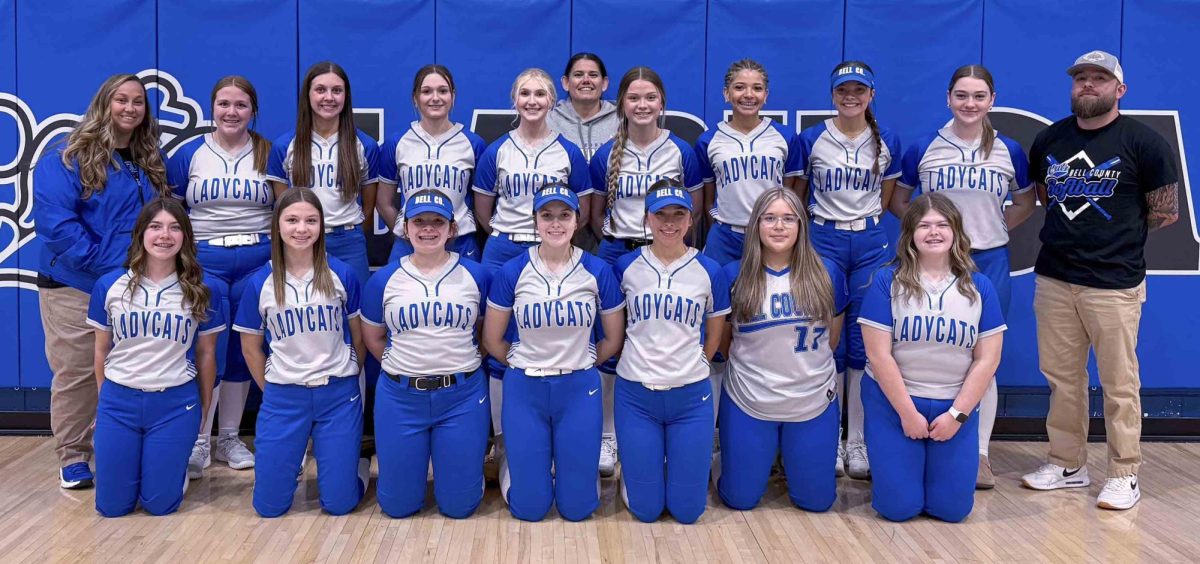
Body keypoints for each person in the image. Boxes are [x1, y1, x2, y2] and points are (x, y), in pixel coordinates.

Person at [1020, 50, 1178, 510]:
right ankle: (1068, 464)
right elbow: (1048, 196)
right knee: (1062, 378)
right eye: (1081, 78)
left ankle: (1124, 472)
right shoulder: (1050, 140)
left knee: (1118, 382)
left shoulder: (1144, 143)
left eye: (1100, 79)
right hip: (1054, 277)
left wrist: (1112, 237)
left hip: (1115, 283)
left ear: (1119, 89)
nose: (1088, 85)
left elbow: (1164, 212)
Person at [892, 64, 1036, 488]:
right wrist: (932, 236)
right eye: (961, 95)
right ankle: (916, 433)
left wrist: (991, 226)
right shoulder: (924, 148)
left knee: (983, 359)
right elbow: (901, 200)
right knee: (919, 346)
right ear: (948, 99)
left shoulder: (1010, 150)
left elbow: (1025, 203)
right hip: (933, 263)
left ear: (992, 100)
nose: (969, 104)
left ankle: (979, 454)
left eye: (978, 96)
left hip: (987, 260)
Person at [33, 73, 169, 489]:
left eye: (138, 102)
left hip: (132, 285)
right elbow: (58, 225)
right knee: (75, 372)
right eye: (121, 100)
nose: (130, 108)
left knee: (130, 369)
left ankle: (119, 449)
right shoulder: (67, 156)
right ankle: (72, 456)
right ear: (103, 103)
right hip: (76, 283)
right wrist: (106, 267)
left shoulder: (147, 158)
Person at [472, 68, 593, 474]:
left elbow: (585, 210)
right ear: (514, 99)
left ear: (552, 101)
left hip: (555, 244)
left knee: (546, 329)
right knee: (496, 339)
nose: (532, 100)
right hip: (504, 245)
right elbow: (483, 211)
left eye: (541, 93)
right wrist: (515, 238)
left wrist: (549, 239)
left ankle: (546, 435)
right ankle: (503, 440)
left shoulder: (568, 152)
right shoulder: (497, 151)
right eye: (524, 93)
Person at [859, 192, 1005, 522]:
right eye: (924, 225)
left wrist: (956, 415)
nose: (934, 232)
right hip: (895, 404)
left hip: (952, 404)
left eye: (942, 225)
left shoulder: (979, 287)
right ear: (910, 235)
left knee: (952, 510)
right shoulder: (887, 281)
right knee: (898, 509)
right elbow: (878, 356)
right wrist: (907, 413)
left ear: (956, 232)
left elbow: (988, 360)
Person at [482, 184, 625, 522]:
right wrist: (526, 362)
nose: (556, 223)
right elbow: (493, 340)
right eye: (547, 215)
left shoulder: (597, 271)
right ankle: (513, 463)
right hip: (526, 389)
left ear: (577, 221)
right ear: (535, 221)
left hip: (578, 389)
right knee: (529, 508)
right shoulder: (513, 271)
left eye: (564, 215)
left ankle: (575, 472)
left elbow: (613, 339)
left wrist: (581, 362)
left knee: (577, 509)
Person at [588, 66, 704, 477]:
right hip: (617, 251)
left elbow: (696, 208)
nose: (642, 105)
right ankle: (607, 433)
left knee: (658, 337)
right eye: (634, 98)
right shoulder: (605, 154)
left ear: (662, 103)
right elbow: (596, 213)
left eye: (650, 98)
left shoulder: (681, 152)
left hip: (668, 250)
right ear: (621, 103)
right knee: (610, 341)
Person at [794, 61, 902, 480]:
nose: (851, 97)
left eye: (859, 90)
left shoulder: (886, 139)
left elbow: (886, 198)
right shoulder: (812, 139)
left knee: (864, 344)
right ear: (832, 94)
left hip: (871, 242)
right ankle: (828, 438)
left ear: (871, 94)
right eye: (843, 90)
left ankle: (856, 440)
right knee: (825, 341)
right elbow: (797, 197)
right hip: (825, 240)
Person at [233, 188, 369, 517]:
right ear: (277, 226)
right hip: (284, 396)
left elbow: (358, 338)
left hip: (337, 394)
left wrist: (348, 372)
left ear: (321, 226)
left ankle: (357, 466)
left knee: (339, 504)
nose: (301, 229)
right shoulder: (259, 283)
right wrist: (275, 389)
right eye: (292, 220)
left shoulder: (342, 274)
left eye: (311, 220)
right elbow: (250, 348)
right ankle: (284, 467)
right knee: (269, 507)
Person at [168, 75, 275, 478]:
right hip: (204, 260)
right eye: (224, 104)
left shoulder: (268, 152)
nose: (232, 112)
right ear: (211, 108)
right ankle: (199, 438)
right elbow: (172, 213)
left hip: (257, 258)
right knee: (205, 348)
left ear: (253, 110)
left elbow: (285, 210)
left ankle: (229, 435)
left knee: (241, 349)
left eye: (241, 105)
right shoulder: (189, 154)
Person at [88, 198, 223, 516]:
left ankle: (170, 474)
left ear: (186, 238)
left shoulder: (202, 289)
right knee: (112, 507)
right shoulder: (109, 285)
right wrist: (103, 402)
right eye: (156, 227)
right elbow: (100, 351)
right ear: (140, 233)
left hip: (175, 404)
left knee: (160, 505)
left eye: (175, 228)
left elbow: (206, 355)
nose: (165, 235)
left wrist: (202, 410)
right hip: (119, 402)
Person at [361, 190, 491, 519]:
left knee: (460, 508)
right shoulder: (384, 280)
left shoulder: (476, 275)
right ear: (406, 228)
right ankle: (366, 467)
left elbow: (485, 333)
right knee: (397, 507)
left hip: (460, 396)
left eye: (437, 222)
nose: (428, 229)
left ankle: (472, 476)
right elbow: (375, 337)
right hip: (401, 398)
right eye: (419, 221)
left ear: (452, 229)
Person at [717, 188, 846, 512]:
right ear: (756, 225)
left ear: (802, 225)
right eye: (770, 218)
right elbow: (724, 342)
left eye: (788, 218)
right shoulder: (734, 276)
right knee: (740, 500)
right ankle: (728, 460)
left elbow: (832, 340)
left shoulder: (827, 273)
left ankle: (791, 458)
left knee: (817, 503)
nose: (779, 226)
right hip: (750, 400)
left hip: (811, 401)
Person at [612, 182, 729, 524]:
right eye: (660, 214)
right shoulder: (625, 266)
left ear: (691, 220)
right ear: (647, 219)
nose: (669, 222)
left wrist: (696, 364)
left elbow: (715, 334)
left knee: (688, 512)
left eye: (678, 214)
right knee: (646, 511)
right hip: (636, 395)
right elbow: (615, 327)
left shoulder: (710, 270)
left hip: (690, 397)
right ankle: (635, 480)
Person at [268, 61, 380, 286]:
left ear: (346, 96)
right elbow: (282, 205)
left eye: (337, 90)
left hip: (348, 242)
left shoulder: (364, 145)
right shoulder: (284, 145)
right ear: (307, 95)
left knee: (355, 311)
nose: (329, 97)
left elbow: (369, 205)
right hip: (301, 242)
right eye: (320, 90)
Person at [696, 59, 805, 266]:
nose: (748, 95)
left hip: (769, 235)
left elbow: (791, 193)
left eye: (757, 88)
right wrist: (719, 226)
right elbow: (708, 199)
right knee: (721, 296)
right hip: (726, 237)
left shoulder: (785, 136)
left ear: (766, 95)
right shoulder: (708, 140)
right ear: (726, 94)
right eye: (739, 87)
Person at [377, 64, 486, 263]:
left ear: (453, 96)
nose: (435, 98)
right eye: (426, 91)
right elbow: (384, 202)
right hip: (408, 245)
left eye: (443, 91)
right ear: (415, 99)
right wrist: (410, 232)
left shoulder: (473, 144)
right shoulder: (397, 142)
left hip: (459, 242)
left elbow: (482, 206)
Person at [548, 52, 618, 162]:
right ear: (566, 83)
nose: (586, 80)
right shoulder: (549, 121)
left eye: (593, 75)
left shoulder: (621, 121)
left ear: (604, 83)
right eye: (578, 75)